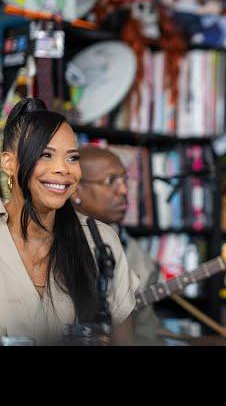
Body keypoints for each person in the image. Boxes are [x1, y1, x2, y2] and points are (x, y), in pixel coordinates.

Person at [0, 98, 138, 345]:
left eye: (72, 158)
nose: (63, 169)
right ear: (9, 163)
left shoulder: (100, 241)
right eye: (46, 155)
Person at [71, 146, 163, 345]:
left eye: (124, 180)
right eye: (110, 180)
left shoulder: (136, 256)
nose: (123, 190)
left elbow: (146, 334)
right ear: (75, 190)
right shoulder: (48, 240)